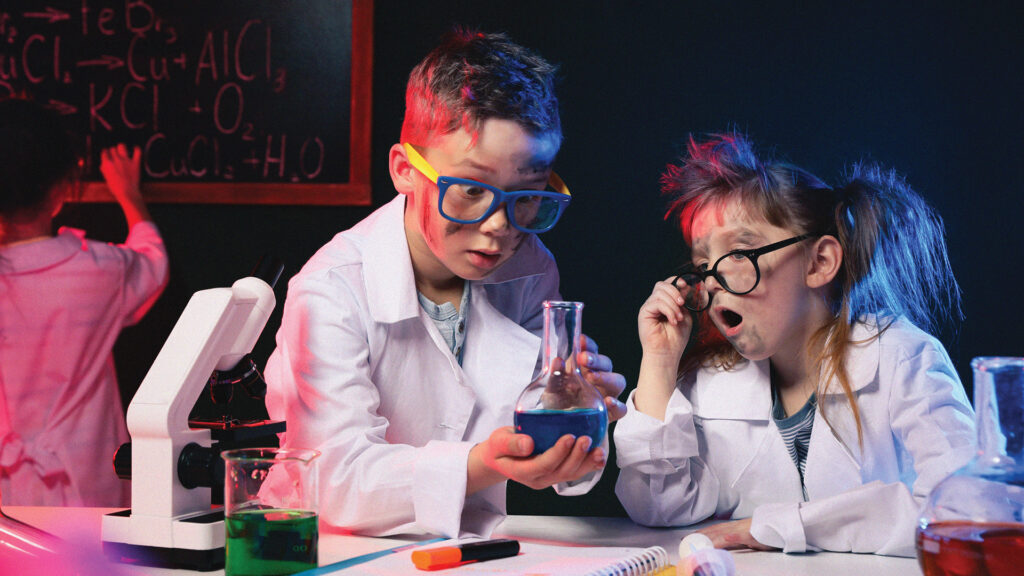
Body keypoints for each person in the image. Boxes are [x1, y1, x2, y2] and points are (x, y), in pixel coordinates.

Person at [265, 29, 627, 538]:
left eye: (527, 196)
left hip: (464, 547)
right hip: (325, 549)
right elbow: (336, 478)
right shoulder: (331, 289)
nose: (499, 226)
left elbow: (543, 438)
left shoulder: (529, 268)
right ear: (404, 171)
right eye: (471, 191)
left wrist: (576, 412)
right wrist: (482, 463)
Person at [613, 132, 974, 557]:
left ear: (819, 262)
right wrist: (659, 361)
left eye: (739, 253)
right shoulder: (710, 382)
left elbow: (964, 513)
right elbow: (658, 508)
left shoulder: (902, 358)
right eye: (703, 265)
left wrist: (781, 526)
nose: (713, 281)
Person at [0, 98, 169, 506]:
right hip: (87, 487)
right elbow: (153, 261)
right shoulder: (100, 270)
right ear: (61, 188)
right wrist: (130, 196)